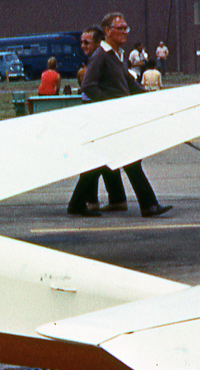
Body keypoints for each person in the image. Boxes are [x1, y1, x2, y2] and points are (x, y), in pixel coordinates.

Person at [80, 12, 172, 218]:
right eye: (120, 28)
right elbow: (88, 86)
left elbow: (129, 83)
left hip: (118, 119)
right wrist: (111, 105)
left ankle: (80, 203)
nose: (125, 32)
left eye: (126, 28)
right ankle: (149, 205)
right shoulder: (101, 55)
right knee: (131, 160)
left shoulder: (117, 54)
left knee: (103, 163)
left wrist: (150, 97)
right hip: (109, 120)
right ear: (107, 31)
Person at [67, 28, 127, 217]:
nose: (82, 46)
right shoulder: (99, 59)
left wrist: (105, 106)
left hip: (99, 119)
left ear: (98, 42)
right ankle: (116, 199)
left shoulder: (100, 59)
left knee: (94, 161)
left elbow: (91, 87)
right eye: (81, 42)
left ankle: (85, 202)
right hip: (96, 118)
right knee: (106, 159)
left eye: (87, 42)